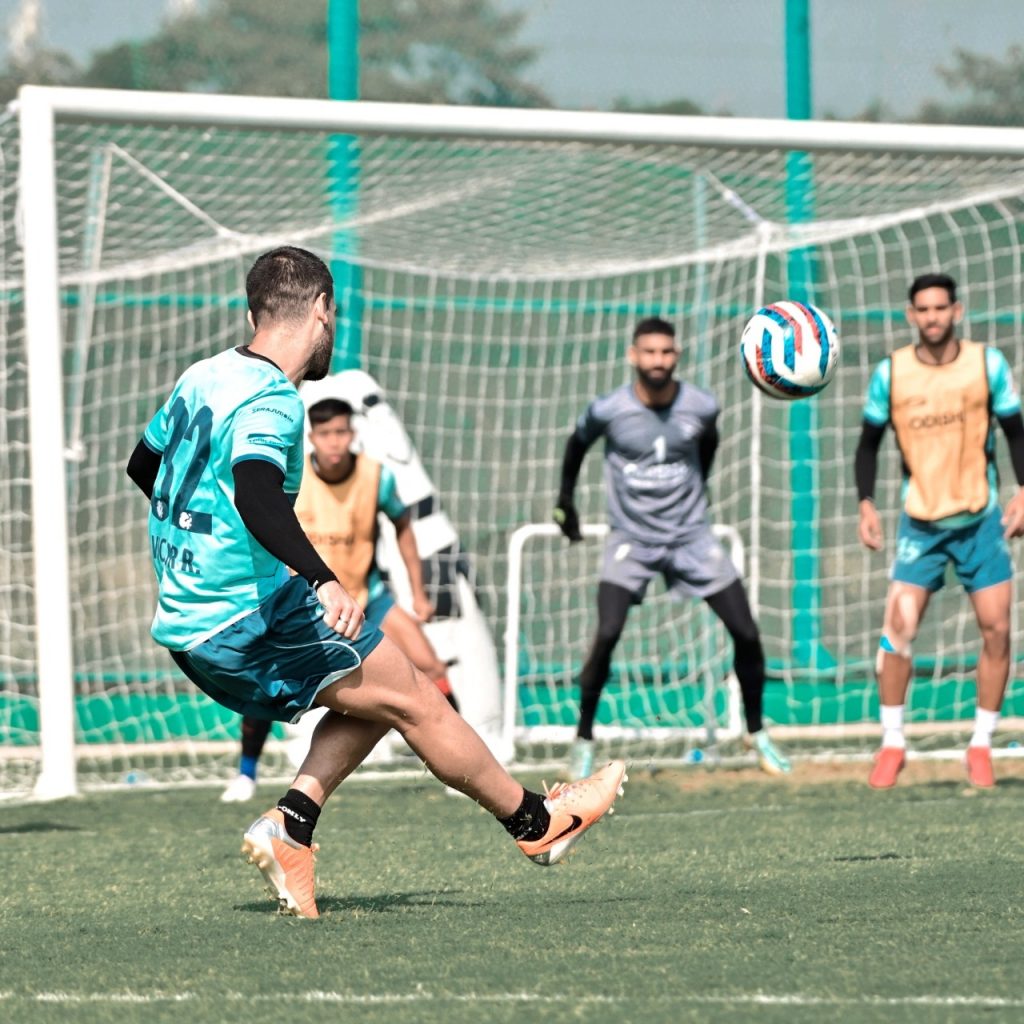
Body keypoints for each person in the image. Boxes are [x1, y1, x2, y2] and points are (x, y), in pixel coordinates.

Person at [126, 246, 625, 918]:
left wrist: (190, 538)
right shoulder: (273, 398)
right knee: (416, 697)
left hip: (200, 617)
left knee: (382, 688)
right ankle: (538, 825)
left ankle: (292, 824)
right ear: (324, 310)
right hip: (242, 618)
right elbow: (254, 491)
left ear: (254, 313)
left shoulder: (203, 375)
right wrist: (322, 578)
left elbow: (143, 464)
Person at [553, 316, 791, 781]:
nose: (657, 361)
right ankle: (583, 738)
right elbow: (576, 446)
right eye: (649, 352)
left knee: (746, 632)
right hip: (631, 540)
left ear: (677, 355)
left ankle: (757, 732)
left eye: (666, 352)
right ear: (633, 355)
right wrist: (566, 502)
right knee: (606, 633)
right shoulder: (608, 410)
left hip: (691, 537)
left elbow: (708, 449)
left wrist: (693, 498)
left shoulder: (702, 406)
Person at [220, 396, 458, 803]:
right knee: (265, 682)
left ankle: (459, 764)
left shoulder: (375, 477)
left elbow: (403, 526)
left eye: (342, 432)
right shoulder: (291, 477)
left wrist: (418, 593)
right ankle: (246, 774)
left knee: (430, 664)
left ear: (352, 434)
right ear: (312, 437)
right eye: (327, 434)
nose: (335, 442)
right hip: (308, 603)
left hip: (368, 598)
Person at [854, 272, 1024, 789]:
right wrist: (866, 502)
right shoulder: (892, 373)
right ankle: (892, 743)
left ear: (956, 310)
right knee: (896, 633)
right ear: (911, 315)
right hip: (920, 526)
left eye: (940, 308)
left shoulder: (986, 363)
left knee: (997, 631)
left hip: (980, 521)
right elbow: (868, 444)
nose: (931, 317)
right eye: (922, 309)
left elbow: (1016, 431)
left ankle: (980, 746)